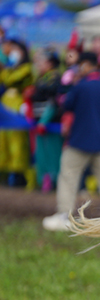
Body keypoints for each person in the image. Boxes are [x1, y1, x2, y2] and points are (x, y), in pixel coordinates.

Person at [43, 52, 100, 232]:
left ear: (86, 64)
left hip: (79, 141)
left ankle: (64, 215)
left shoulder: (80, 86)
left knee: (68, 177)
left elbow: (66, 105)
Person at [0, 39, 35, 188]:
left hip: (18, 105)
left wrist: (9, 67)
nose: (11, 52)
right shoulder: (9, 67)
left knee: (17, 142)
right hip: (5, 104)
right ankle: (6, 174)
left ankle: (20, 177)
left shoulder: (27, 68)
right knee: (3, 141)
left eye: (15, 49)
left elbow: (10, 79)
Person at [30, 50, 64, 193]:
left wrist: (44, 121)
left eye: (41, 61)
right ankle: (44, 182)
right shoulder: (41, 78)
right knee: (41, 155)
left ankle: (54, 183)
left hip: (50, 125)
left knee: (53, 155)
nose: (37, 64)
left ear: (50, 63)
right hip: (39, 124)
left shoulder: (55, 79)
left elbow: (53, 102)